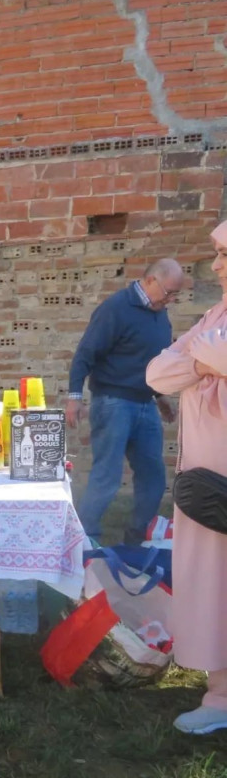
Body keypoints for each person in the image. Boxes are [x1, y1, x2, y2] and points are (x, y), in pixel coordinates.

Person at [146, 222, 227, 735]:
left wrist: (197, 356)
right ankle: (220, 692)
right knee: (211, 580)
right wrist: (206, 356)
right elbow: (157, 373)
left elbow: (202, 358)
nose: (216, 266)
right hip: (209, 484)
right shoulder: (216, 315)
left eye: (225, 254)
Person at [66, 258, 185, 545]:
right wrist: (74, 397)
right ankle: (83, 543)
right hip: (113, 403)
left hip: (145, 405)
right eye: (168, 292)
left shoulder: (160, 313)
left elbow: (151, 361)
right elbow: (85, 354)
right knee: (106, 476)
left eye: (175, 295)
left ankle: (136, 541)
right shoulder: (116, 308)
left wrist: (160, 397)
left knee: (153, 477)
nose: (170, 300)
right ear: (151, 281)